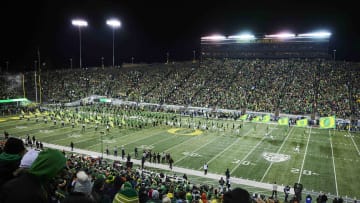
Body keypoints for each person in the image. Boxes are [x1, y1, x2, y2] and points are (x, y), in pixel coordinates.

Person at [0, 148, 66, 203]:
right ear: (49, 168)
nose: (60, 173)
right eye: (59, 170)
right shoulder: (31, 193)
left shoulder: (40, 182)